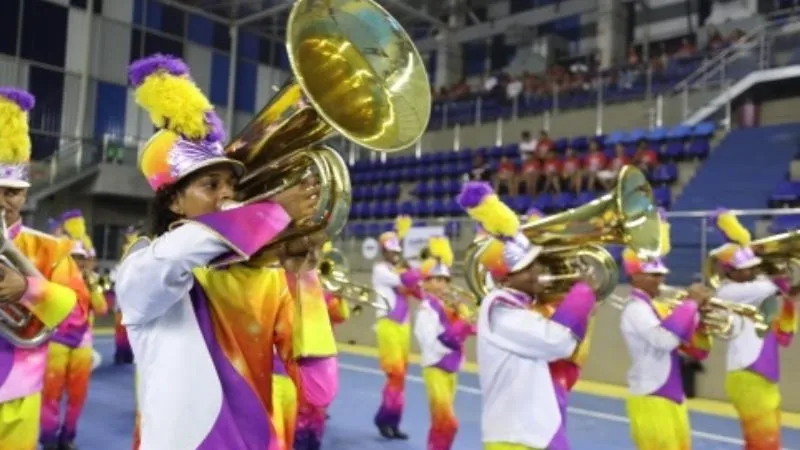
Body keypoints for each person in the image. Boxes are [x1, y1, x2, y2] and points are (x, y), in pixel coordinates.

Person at [114, 54, 321, 449]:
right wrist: (272, 212)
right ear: (174, 202)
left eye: (232, 187)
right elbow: (177, 254)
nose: (227, 196)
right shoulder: (141, 267)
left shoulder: (266, 279)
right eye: (211, 185)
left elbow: (318, 387)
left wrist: (305, 277)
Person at [457, 182, 595, 450]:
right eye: (527, 268)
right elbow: (559, 342)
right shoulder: (501, 310)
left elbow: (567, 355)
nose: (538, 273)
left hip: (527, 433)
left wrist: (573, 303)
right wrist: (580, 296)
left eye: (536, 265)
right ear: (506, 277)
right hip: (516, 437)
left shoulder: (518, 307)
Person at [0, 87, 81, 450]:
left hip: (19, 393)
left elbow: (76, 310)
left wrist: (27, 289)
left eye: (12, 191)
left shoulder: (51, 248)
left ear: (25, 195)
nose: (3, 201)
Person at [619, 220, 713, 450]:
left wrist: (698, 318)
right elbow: (665, 340)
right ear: (635, 277)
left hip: (672, 394)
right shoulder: (635, 310)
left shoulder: (656, 306)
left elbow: (695, 350)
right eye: (653, 275)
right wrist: (690, 305)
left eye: (661, 274)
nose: (660, 279)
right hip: (651, 396)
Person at [709, 209, 797, 450]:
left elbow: (785, 290)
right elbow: (782, 284)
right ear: (730, 272)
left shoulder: (750, 287)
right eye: (746, 268)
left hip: (759, 372)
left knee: (762, 442)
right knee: (764, 443)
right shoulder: (729, 292)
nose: (752, 270)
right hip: (749, 374)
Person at [40, 211, 108, 450]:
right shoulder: (54, 277)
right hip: (56, 341)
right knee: (51, 394)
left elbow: (101, 309)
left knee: (77, 396)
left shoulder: (92, 280)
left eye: (82, 258)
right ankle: (48, 439)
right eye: (74, 257)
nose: (78, 262)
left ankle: (67, 438)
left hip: (83, 343)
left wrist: (93, 287)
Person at [414, 236, 475, 450]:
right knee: (447, 423)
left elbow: (471, 329)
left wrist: (468, 316)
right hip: (435, 368)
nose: (442, 284)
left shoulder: (449, 306)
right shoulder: (426, 310)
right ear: (425, 282)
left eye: (445, 280)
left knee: (440, 425)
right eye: (436, 279)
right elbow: (438, 342)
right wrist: (462, 323)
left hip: (451, 369)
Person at [371, 215, 424, 439]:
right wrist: (423, 267)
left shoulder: (397, 270)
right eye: (391, 250)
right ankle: (384, 419)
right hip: (389, 323)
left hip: (403, 324)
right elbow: (407, 282)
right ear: (384, 251)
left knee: (400, 378)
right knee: (395, 375)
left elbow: (417, 291)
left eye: (396, 249)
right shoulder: (380, 270)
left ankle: (393, 421)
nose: (395, 253)